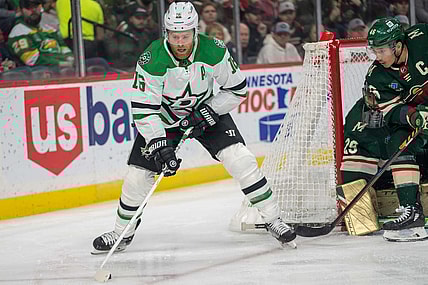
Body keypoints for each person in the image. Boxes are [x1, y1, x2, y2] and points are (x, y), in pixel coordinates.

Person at [91, 1, 296, 254]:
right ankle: (122, 232)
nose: (180, 42)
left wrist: (210, 109)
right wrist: (159, 144)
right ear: (166, 33)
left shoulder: (214, 51)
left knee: (241, 159)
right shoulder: (152, 59)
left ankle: (273, 220)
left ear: (195, 32)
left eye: (185, 35)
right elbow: (144, 110)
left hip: (206, 112)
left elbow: (237, 89)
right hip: (165, 120)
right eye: (174, 35)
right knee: (137, 177)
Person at [341, 17, 428, 241]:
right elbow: (388, 110)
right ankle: (412, 213)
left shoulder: (422, 38)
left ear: (398, 46)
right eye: (374, 52)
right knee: (398, 142)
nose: (377, 57)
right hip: (422, 125)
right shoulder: (377, 75)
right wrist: (414, 116)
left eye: (381, 51)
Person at [7, 0, 73, 68]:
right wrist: (63, 63)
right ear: (20, 10)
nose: (33, 10)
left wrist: (71, 60)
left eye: (36, 6)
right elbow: (33, 60)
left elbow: (66, 50)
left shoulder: (49, 29)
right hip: (39, 75)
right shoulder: (18, 32)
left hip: (63, 71)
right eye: (28, 7)